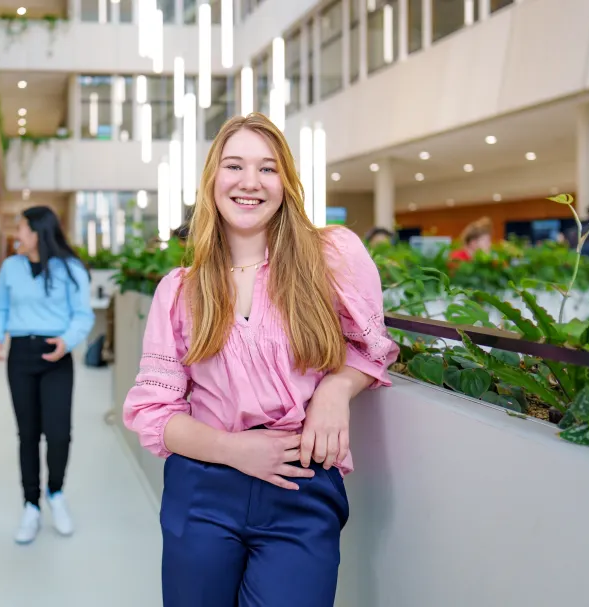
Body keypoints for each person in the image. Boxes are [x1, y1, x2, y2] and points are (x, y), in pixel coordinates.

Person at [123, 113, 399, 607]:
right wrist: (235, 450)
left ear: (286, 182)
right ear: (212, 181)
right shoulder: (180, 290)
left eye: (267, 169)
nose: (250, 182)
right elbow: (154, 415)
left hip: (301, 482)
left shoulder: (332, 256)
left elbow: (369, 348)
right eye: (234, 166)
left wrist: (336, 390)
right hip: (203, 485)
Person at [0, 206, 95, 545]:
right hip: (20, 355)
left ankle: (56, 493)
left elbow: (83, 315)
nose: (16, 234)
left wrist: (67, 342)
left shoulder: (70, 269)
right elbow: (1, 307)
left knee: (59, 433)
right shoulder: (11, 267)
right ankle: (31, 504)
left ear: (38, 232)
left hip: (56, 354)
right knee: (28, 433)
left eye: (21, 228)